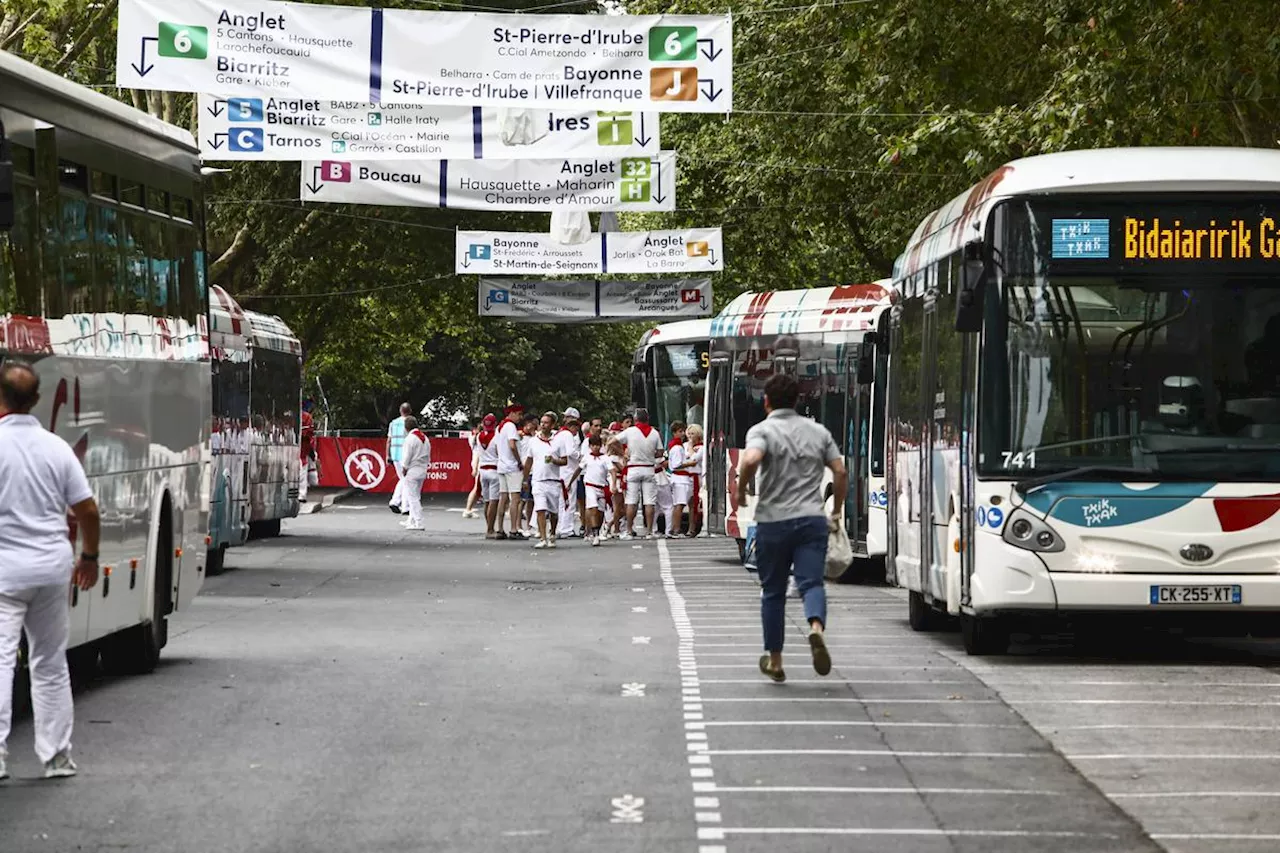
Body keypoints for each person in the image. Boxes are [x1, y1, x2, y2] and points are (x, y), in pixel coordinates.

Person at [0, 362, 100, 780]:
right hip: (50, 568)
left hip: (4, 572)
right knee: (49, 661)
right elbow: (88, 509)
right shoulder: (56, 447)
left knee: (1, 660)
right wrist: (89, 557)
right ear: (37, 400)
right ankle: (56, 755)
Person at [735, 374, 845, 683]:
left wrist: (741, 488)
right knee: (811, 583)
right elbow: (840, 471)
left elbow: (752, 458)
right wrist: (835, 510)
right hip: (812, 519)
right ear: (798, 400)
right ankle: (815, 629)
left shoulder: (762, 430)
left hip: (773, 521)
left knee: (772, 592)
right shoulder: (818, 431)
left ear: (766, 401)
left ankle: (776, 660)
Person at [617, 408, 664, 540]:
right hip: (649, 468)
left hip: (634, 468)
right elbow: (660, 452)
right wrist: (650, 455)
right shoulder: (654, 433)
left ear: (636, 419)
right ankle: (649, 531)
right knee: (649, 501)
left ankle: (629, 530)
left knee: (632, 500)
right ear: (647, 419)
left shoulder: (630, 431)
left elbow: (613, 441)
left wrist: (623, 454)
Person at [528, 413, 565, 548]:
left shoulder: (558, 441)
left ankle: (552, 533)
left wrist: (554, 460)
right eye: (542, 422)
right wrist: (525, 480)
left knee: (554, 513)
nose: (543, 425)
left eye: (546, 423)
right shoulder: (533, 441)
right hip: (538, 480)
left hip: (553, 481)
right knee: (540, 509)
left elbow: (564, 460)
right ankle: (543, 538)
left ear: (553, 425)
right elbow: (529, 460)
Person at [495, 404, 525, 540]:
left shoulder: (499, 427)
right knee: (515, 498)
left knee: (503, 498)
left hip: (501, 465)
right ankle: (514, 528)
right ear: (511, 413)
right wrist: (519, 461)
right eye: (518, 414)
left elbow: (496, 447)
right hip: (512, 466)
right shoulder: (511, 427)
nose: (520, 417)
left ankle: (500, 528)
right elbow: (512, 445)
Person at [399, 416, 431, 531]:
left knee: (412, 497)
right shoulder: (424, 438)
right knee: (416, 495)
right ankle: (411, 520)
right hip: (422, 468)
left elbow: (407, 456)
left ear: (406, 427)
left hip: (413, 469)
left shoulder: (410, 439)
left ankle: (418, 522)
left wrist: (404, 468)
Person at [555, 408, 583, 540]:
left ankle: (562, 526)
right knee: (569, 500)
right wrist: (581, 456)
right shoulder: (568, 435)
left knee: (563, 501)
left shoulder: (560, 434)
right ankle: (567, 528)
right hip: (569, 471)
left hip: (563, 470)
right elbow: (572, 451)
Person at [475, 415, 503, 539]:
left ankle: (489, 527)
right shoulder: (497, 437)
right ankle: (490, 529)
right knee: (494, 501)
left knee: (487, 501)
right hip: (494, 469)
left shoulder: (478, 437)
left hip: (482, 470)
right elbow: (499, 452)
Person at [581, 434, 611, 546]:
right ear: (590, 446)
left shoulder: (605, 458)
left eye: (598, 445)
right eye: (593, 445)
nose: (595, 448)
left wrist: (612, 484)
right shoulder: (587, 458)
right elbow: (579, 468)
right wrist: (570, 482)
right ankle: (595, 534)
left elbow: (611, 470)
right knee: (593, 508)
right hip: (590, 485)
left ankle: (597, 528)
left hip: (602, 487)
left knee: (600, 512)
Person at [656, 420, 685, 536]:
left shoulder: (672, 446)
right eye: (680, 431)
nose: (683, 434)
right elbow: (674, 464)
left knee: (656, 507)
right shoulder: (676, 447)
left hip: (659, 478)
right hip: (662, 478)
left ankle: (653, 530)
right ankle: (671, 530)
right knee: (669, 506)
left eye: (683, 431)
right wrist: (690, 463)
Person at [386, 402, 412, 514]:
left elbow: (389, 440)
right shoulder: (409, 423)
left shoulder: (393, 423)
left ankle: (395, 501)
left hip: (395, 453)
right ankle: (404, 506)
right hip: (405, 454)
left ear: (400, 411)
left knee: (403, 479)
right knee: (406, 480)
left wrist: (387, 455)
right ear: (409, 411)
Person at [462, 419, 482, 519]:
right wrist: (475, 468)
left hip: (478, 462)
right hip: (478, 463)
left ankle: (468, 509)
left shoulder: (475, 436)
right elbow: (478, 453)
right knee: (476, 488)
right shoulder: (476, 437)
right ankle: (468, 509)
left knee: (479, 488)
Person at [298, 401, 316, 503]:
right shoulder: (289, 415)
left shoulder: (307, 417)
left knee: (302, 471)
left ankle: (302, 494)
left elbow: (309, 432)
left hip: (303, 448)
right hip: (292, 446)